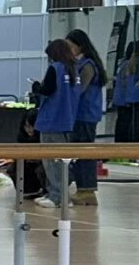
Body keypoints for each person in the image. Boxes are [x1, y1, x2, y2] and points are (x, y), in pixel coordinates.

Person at [32, 38, 83, 209]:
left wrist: (36, 87)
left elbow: (47, 90)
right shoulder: (74, 70)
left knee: (51, 161)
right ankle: (57, 193)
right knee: (62, 161)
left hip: (51, 120)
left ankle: (57, 196)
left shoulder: (55, 69)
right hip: (67, 120)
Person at [64, 29, 107, 204]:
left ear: (80, 46)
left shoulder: (87, 65)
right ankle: (83, 188)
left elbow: (79, 89)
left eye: (70, 46)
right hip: (80, 114)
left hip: (85, 115)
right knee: (78, 153)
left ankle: (87, 189)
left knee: (85, 153)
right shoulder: (78, 63)